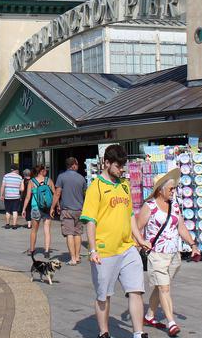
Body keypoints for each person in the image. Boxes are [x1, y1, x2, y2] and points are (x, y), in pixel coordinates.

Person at [80, 144, 151, 338]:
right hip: (104, 251)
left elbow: (130, 216)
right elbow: (90, 221)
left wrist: (140, 239)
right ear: (107, 163)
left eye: (123, 166)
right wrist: (93, 250)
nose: (122, 170)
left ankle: (139, 333)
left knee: (136, 290)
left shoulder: (124, 185)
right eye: (118, 166)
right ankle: (104, 333)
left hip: (127, 248)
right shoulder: (96, 188)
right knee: (104, 295)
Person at [136, 169, 200, 337]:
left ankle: (149, 316)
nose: (174, 191)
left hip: (173, 256)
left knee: (161, 286)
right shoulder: (149, 206)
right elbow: (136, 228)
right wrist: (139, 245)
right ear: (160, 189)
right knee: (164, 288)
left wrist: (193, 245)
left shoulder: (174, 205)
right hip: (156, 254)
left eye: (174, 188)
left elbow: (181, 227)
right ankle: (171, 322)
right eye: (171, 189)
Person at [52, 157, 87, 265]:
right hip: (79, 210)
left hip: (67, 210)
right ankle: (77, 257)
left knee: (69, 234)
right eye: (77, 164)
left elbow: (57, 193)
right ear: (73, 165)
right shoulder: (82, 178)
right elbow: (85, 194)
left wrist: (52, 207)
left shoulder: (61, 177)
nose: (78, 166)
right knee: (77, 233)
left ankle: (72, 258)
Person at [21, 164, 55, 258]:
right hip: (47, 208)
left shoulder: (32, 182)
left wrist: (24, 209)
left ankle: (32, 250)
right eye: (45, 170)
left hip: (35, 208)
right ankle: (47, 251)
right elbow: (55, 194)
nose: (46, 171)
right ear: (41, 171)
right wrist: (57, 206)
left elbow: (28, 197)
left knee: (34, 230)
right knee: (47, 230)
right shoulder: (49, 181)